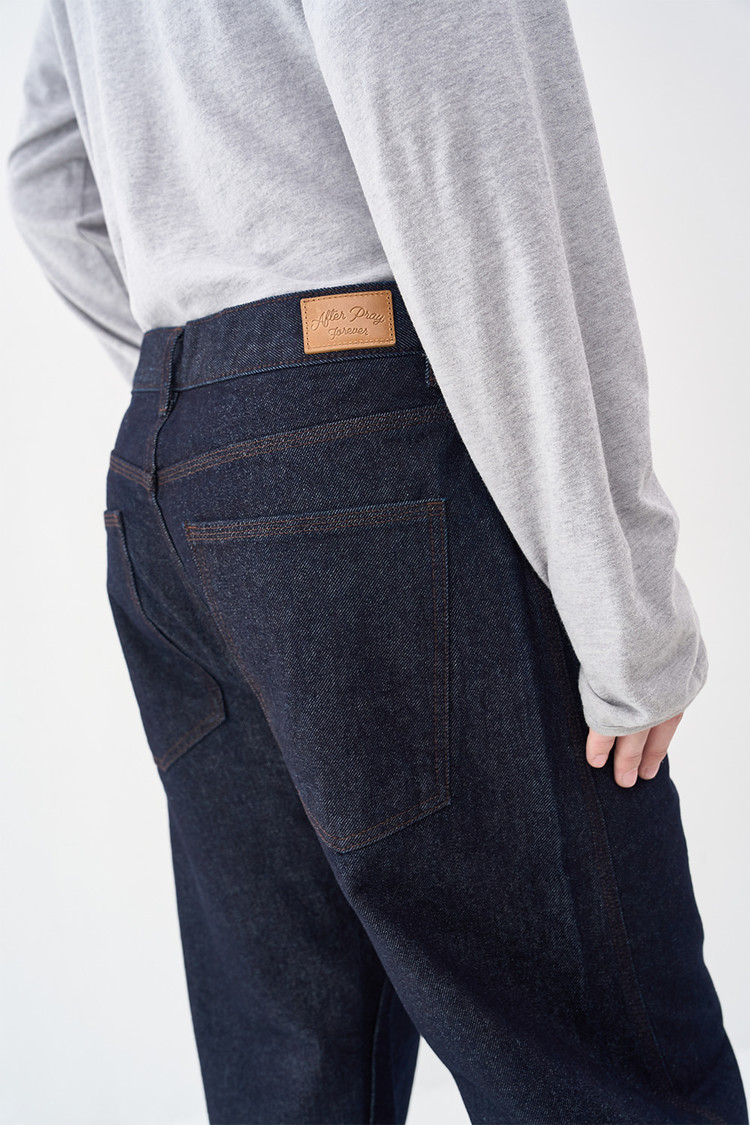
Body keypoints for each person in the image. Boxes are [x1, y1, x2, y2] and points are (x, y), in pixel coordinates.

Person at [6, 1, 747, 1122]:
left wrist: (226, 405)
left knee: (293, 1079)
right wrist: (621, 597)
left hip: (172, 481)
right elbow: (460, 155)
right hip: (370, 456)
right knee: (609, 1078)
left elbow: (43, 171)